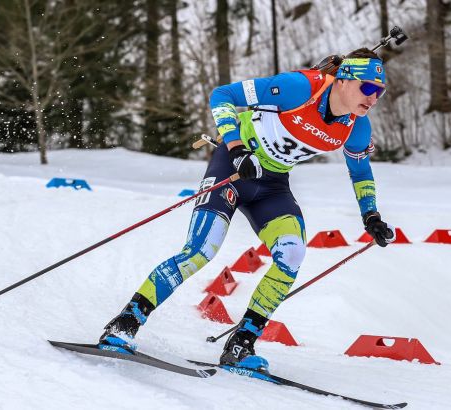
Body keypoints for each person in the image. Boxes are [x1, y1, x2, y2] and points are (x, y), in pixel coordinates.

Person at [99, 47, 395, 371]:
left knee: (292, 253)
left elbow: (361, 171)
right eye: (368, 87)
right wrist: (237, 148)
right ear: (343, 80)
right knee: (200, 251)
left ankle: (241, 345)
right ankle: (124, 323)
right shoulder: (300, 87)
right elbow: (222, 95)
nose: (374, 97)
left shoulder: (357, 126)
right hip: (234, 167)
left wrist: (371, 215)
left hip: (271, 185)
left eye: (379, 92)